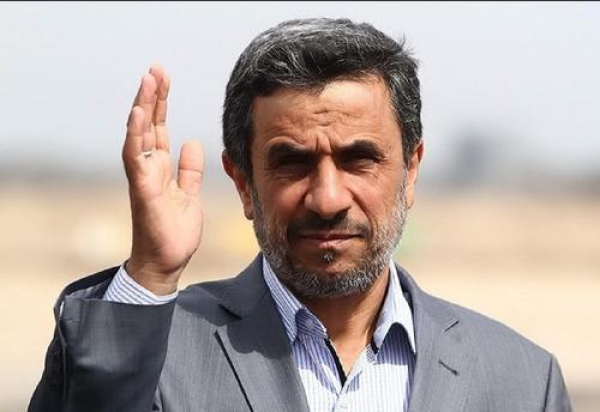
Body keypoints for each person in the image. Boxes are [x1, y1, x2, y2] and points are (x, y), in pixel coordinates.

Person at [29, 18, 571, 412]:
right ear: (243, 183)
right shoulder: (158, 351)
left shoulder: (522, 380)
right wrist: (150, 273)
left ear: (410, 172)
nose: (327, 199)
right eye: (292, 163)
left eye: (359, 159)